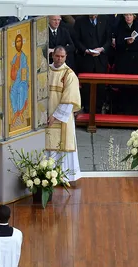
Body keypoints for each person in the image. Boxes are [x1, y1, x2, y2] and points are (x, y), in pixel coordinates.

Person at [45, 46, 82, 183]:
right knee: (47, 145)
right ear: (52, 56)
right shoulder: (45, 71)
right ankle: (46, 176)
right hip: (45, 117)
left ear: (66, 57)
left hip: (61, 119)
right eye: (57, 56)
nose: (59, 59)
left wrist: (55, 116)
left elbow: (69, 100)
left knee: (62, 145)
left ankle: (64, 177)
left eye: (62, 56)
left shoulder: (69, 75)